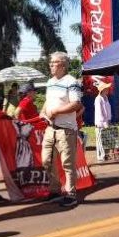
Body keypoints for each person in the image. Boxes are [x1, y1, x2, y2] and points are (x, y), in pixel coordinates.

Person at [41, 51, 82, 208]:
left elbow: (76, 104)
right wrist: (44, 110)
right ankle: (55, 190)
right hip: (50, 128)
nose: (51, 64)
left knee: (68, 163)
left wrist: (56, 111)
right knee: (46, 160)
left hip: (66, 129)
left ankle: (71, 194)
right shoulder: (50, 82)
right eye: (50, 62)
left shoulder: (71, 81)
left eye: (54, 62)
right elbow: (48, 101)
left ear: (63, 65)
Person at [94, 80, 112, 162]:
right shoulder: (98, 99)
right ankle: (101, 156)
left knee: (106, 139)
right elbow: (99, 112)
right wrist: (104, 123)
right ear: (102, 90)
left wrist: (108, 120)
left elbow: (107, 111)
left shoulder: (106, 98)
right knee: (100, 140)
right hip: (100, 123)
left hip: (107, 122)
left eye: (107, 88)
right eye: (106, 88)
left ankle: (106, 155)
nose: (108, 90)